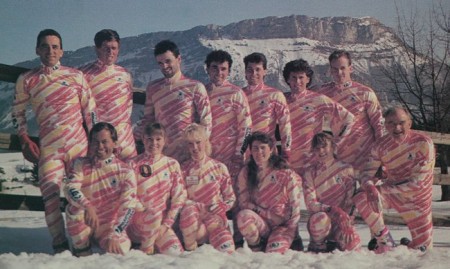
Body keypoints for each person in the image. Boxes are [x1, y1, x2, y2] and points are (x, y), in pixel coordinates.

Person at [11, 29, 97, 253]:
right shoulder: (28, 79)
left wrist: (95, 141)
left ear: (62, 51)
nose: (50, 50)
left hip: (79, 147)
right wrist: (23, 138)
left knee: (80, 196)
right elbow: (18, 111)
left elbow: (90, 112)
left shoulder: (76, 76)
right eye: (45, 46)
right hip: (50, 149)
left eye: (55, 46)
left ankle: (83, 243)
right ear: (37, 50)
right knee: (49, 192)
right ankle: (59, 245)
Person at [352, 105, 435, 253]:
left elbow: (417, 183)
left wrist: (381, 188)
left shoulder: (423, 143)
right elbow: (366, 173)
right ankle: (384, 240)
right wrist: (370, 187)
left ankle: (408, 244)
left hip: (418, 202)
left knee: (423, 252)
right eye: (390, 123)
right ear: (385, 125)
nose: (396, 127)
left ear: (409, 123)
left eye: (401, 122)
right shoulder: (380, 145)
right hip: (394, 196)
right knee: (361, 196)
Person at [64, 122, 137, 256]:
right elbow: (70, 188)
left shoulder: (126, 171)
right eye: (95, 142)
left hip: (110, 228)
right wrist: (87, 206)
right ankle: (82, 250)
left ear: (115, 143)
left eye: (105, 142)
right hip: (87, 221)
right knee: (74, 210)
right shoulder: (80, 163)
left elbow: (129, 207)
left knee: (120, 252)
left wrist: (115, 234)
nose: (100, 147)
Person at [137, 39, 212, 162]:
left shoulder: (195, 86)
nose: (164, 66)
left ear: (179, 59)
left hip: (188, 154)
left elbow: (206, 123)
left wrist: (198, 149)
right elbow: (148, 120)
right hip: (162, 153)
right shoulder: (153, 88)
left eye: (168, 61)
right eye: (160, 63)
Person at [316, 50, 384, 174]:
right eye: (335, 69)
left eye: (343, 68)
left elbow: (379, 125)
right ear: (330, 70)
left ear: (350, 68)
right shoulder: (323, 93)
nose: (339, 73)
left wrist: (382, 158)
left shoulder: (365, 93)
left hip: (366, 158)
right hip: (338, 159)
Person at [283, 59, 355, 175]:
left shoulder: (318, 99)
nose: (297, 81)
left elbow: (349, 119)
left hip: (312, 162)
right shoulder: (281, 100)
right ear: (287, 79)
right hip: (286, 162)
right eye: (293, 77)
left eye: (301, 77)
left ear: (308, 79)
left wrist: (335, 144)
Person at [236, 132, 301, 253]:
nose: (259, 152)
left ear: (271, 150)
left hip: (282, 225)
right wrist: (268, 215)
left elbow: (295, 206)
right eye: (255, 148)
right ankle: (257, 249)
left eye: (263, 148)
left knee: (273, 256)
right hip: (263, 224)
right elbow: (244, 203)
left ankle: (291, 242)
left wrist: (290, 226)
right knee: (243, 216)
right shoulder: (246, 172)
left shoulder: (285, 172)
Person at [127, 122, 187, 254]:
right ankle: (145, 250)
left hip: (161, 226)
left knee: (175, 254)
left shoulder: (172, 164)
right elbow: (128, 194)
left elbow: (179, 197)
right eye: (149, 139)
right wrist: (144, 212)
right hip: (137, 224)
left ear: (165, 141)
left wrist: (166, 224)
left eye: (158, 139)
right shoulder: (133, 164)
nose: (153, 143)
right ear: (143, 139)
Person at [80, 29, 137, 161]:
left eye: (114, 48)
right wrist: (96, 136)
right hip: (100, 141)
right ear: (97, 49)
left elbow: (128, 107)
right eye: (106, 48)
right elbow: (88, 110)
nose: (110, 52)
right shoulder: (85, 75)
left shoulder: (125, 74)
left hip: (125, 140)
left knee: (129, 178)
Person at [179, 123, 236, 253]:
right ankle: (190, 253)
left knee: (228, 253)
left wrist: (223, 206)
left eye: (198, 142)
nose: (195, 147)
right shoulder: (183, 169)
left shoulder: (219, 167)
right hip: (195, 224)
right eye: (190, 143)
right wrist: (198, 207)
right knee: (188, 210)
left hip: (216, 222)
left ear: (205, 142)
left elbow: (230, 198)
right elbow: (180, 199)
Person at [302, 132, 361, 253]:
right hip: (322, 221)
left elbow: (352, 200)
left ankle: (337, 243)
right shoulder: (309, 173)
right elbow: (310, 204)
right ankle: (317, 245)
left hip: (342, 221)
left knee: (354, 250)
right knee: (320, 218)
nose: (321, 151)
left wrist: (349, 220)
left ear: (333, 147)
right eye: (317, 148)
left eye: (324, 146)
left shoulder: (346, 169)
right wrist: (332, 209)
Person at [204, 50, 252, 180]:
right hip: (206, 154)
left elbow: (246, 127)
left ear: (229, 71)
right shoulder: (201, 91)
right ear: (207, 69)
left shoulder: (236, 93)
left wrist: (239, 154)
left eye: (223, 69)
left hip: (230, 156)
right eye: (215, 68)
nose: (219, 73)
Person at [242, 52, 291, 160]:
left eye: (258, 69)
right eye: (250, 70)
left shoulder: (275, 95)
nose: (254, 73)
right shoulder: (239, 95)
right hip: (245, 155)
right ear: (245, 72)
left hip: (268, 153)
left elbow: (285, 125)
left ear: (265, 72)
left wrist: (286, 150)